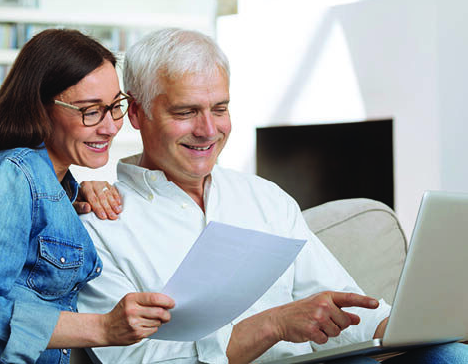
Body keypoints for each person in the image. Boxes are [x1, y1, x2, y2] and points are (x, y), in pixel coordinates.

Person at [77, 28, 468, 364]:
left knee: (448, 354)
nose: (209, 129)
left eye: (220, 108)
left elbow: (343, 306)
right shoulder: (100, 225)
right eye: (185, 111)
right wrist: (274, 324)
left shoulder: (264, 198)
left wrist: (414, 325)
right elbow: (136, 359)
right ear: (136, 113)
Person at [0, 29, 174, 364]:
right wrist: (104, 328)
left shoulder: (60, 188)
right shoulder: (16, 175)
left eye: (114, 106)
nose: (109, 127)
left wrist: (77, 198)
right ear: (40, 108)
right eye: (90, 111)